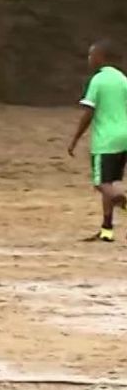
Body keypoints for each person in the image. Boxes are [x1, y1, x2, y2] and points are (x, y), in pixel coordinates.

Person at [68, 40, 127, 242]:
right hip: (123, 138)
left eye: (91, 55)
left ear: (101, 57)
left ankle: (125, 204)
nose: (89, 59)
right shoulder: (122, 79)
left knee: (101, 183)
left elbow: (88, 113)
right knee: (110, 183)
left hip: (106, 140)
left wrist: (75, 139)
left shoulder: (98, 80)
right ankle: (106, 230)